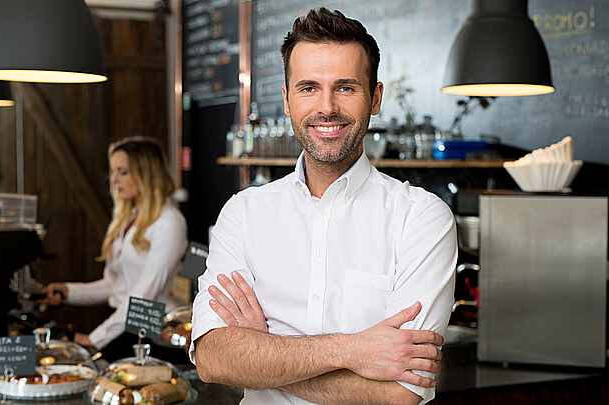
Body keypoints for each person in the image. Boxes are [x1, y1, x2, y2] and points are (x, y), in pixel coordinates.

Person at [190, 8, 457, 405]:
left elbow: (401, 393)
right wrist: (351, 350)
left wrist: (264, 354)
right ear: (286, 99)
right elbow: (213, 359)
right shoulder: (243, 214)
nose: (327, 107)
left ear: (376, 97)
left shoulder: (421, 218)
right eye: (308, 87)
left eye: (346, 87)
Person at [39, 136, 188, 362]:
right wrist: (69, 292)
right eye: (113, 171)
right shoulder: (128, 217)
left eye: (123, 172)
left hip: (148, 333)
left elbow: (143, 297)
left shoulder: (169, 223)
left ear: (147, 174)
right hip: (120, 324)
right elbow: (114, 285)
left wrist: (95, 339)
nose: (113, 179)